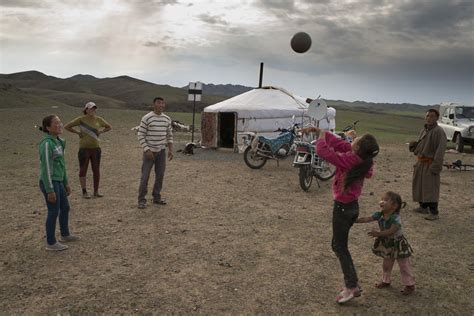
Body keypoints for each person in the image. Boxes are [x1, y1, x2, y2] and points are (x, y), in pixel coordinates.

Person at [303, 126, 379, 304]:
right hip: (351, 208)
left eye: (356, 140)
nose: (353, 141)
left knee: (340, 247)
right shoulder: (360, 158)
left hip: (343, 209)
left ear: (358, 148)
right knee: (337, 246)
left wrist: (321, 136)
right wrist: (319, 130)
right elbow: (339, 143)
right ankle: (353, 283)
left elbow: (325, 152)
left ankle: (352, 286)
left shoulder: (351, 159)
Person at [356, 191, 415, 295]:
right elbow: (367, 219)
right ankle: (386, 281)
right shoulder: (380, 214)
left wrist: (378, 233)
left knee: (404, 265)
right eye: (382, 199)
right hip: (388, 244)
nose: (382, 201)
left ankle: (409, 285)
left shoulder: (395, 218)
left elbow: (391, 231)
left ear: (394, 206)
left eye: (386, 200)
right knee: (386, 265)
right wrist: (354, 220)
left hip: (398, 245)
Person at [38, 115, 80, 251]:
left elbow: (61, 165)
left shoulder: (60, 142)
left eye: (60, 122)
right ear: (48, 128)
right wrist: (50, 190)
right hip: (50, 182)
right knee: (53, 211)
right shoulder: (46, 144)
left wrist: (66, 182)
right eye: (56, 123)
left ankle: (65, 234)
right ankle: (51, 242)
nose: (60, 125)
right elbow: (46, 168)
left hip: (59, 181)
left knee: (65, 207)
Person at [64, 102, 112, 199]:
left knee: (96, 170)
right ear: (86, 110)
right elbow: (67, 126)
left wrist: (101, 131)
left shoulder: (99, 119)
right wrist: (77, 132)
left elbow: (109, 127)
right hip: (84, 149)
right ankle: (84, 191)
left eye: (94, 108)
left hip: (96, 148)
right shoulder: (81, 119)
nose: (93, 110)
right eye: (90, 108)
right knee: (83, 170)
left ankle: (96, 191)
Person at [409, 109, 446, 220]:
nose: (429, 118)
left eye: (432, 116)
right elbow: (421, 146)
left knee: (431, 188)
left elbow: (440, 151)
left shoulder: (439, 131)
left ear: (437, 118)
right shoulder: (424, 130)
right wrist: (414, 147)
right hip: (421, 162)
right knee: (420, 185)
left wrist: (435, 167)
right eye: (428, 116)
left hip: (430, 163)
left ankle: (434, 212)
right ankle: (423, 207)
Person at [137, 97, 174, 209]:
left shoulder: (167, 119)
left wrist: (171, 150)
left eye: (163, 103)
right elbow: (140, 135)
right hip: (149, 152)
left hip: (161, 151)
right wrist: (147, 149)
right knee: (145, 176)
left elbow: (169, 135)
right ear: (154, 104)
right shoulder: (147, 118)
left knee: (160, 175)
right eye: (159, 103)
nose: (161, 105)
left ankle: (156, 197)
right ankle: (141, 200)